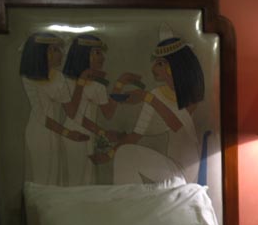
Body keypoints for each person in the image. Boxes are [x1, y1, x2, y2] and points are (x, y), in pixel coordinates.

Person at [102, 26, 205, 184]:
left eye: (159, 63)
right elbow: (136, 135)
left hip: (187, 168)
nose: (153, 68)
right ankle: (130, 197)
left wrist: (147, 98)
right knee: (124, 153)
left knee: (126, 155)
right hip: (171, 165)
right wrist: (109, 153)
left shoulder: (189, 94)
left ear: (172, 66)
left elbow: (177, 125)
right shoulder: (156, 94)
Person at [61, 34, 142, 185]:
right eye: (97, 53)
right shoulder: (67, 83)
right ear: (83, 55)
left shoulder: (98, 86)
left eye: (101, 53)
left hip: (90, 135)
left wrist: (120, 83)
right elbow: (73, 114)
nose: (102, 58)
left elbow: (108, 113)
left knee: (89, 179)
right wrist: (102, 132)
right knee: (76, 180)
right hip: (73, 135)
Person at [19, 32, 88, 185]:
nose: (61, 54)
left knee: (54, 178)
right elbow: (41, 116)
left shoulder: (58, 76)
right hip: (39, 132)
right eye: (55, 50)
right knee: (43, 178)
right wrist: (68, 133)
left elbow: (71, 111)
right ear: (43, 53)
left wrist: (81, 83)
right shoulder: (29, 78)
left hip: (55, 131)